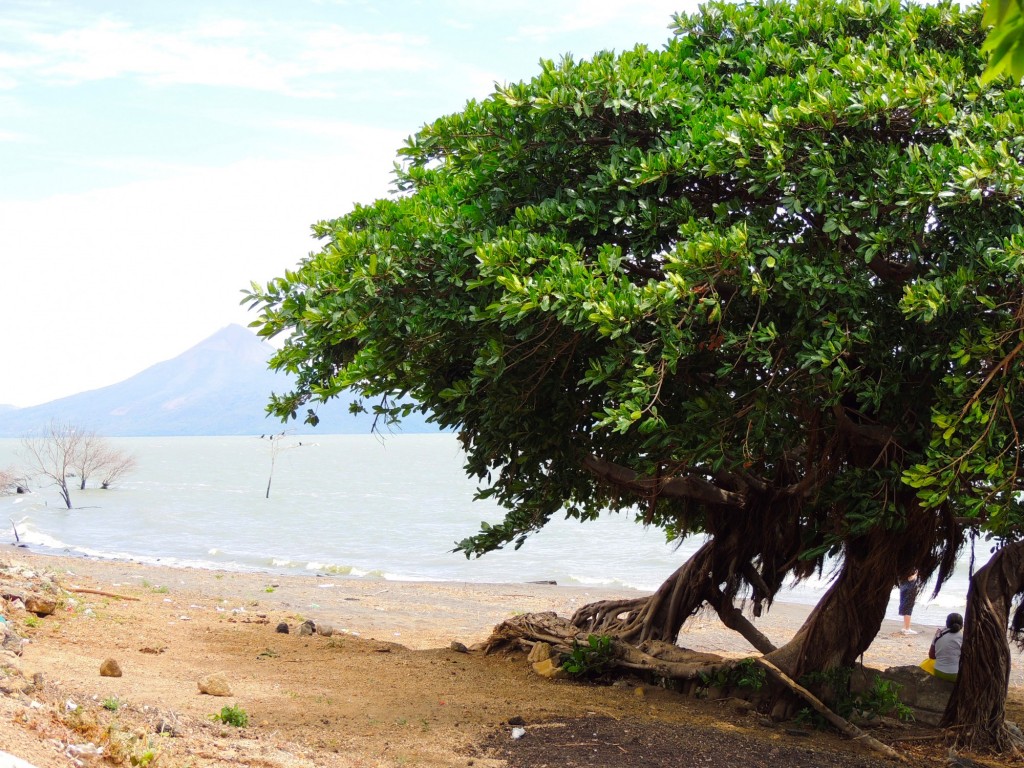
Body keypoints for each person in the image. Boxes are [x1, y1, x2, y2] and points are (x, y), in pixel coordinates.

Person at [921, 612, 964, 682]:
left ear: (946, 623)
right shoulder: (963, 637)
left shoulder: (939, 633)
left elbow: (931, 656)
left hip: (939, 672)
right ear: (962, 625)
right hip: (956, 673)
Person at [898, 569, 920, 635]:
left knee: (905, 606)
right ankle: (907, 628)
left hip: (903, 587)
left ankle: (905, 627)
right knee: (908, 608)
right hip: (909, 588)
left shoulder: (903, 566)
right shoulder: (910, 567)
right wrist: (916, 574)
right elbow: (910, 578)